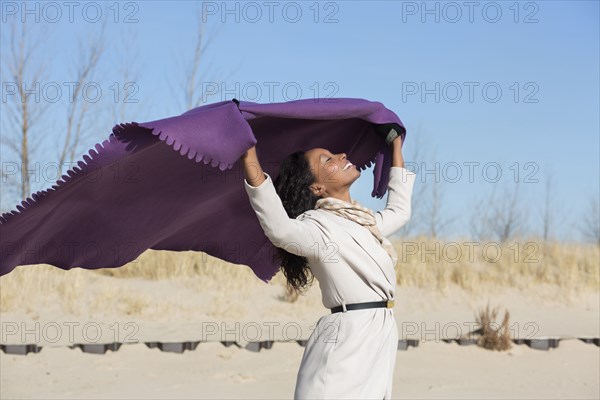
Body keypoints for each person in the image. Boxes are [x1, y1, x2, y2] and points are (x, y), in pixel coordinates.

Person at [240, 133, 416, 399]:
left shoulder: (364, 222)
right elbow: (280, 229)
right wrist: (248, 154)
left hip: (379, 333)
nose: (342, 156)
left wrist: (396, 146)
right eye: (328, 160)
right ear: (317, 188)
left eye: (336, 154)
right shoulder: (317, 227)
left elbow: (400, 210)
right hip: (346, 340)